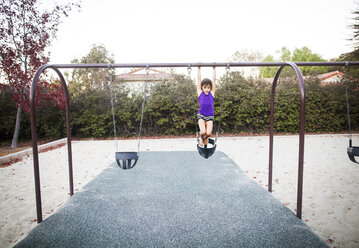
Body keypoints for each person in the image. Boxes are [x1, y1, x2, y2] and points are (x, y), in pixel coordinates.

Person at [197, 66, 216, 147]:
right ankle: (201, 138)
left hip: (210, 117)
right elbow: (198, 80)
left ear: (210, 88)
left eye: (208, 87)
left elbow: (214, 80)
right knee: (203, 132)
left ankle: (206, 138)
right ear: (202, 87)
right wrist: (198, 68)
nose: (207, 89)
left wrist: (214, 69)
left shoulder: (212, 93)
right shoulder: (200, 93)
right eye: (205, 87)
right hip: (201, 115)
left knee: (208, 133)